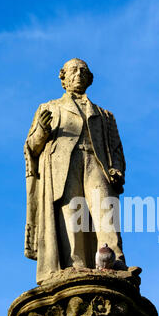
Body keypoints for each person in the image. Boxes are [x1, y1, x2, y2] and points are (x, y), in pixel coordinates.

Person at [24, 58, 126, 283]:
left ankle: (115, 261)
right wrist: (41, 129)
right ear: (63, 78)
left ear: (89, 79)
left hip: (96, 163)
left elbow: (116, 147)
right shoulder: (49, 108)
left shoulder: (105, 115)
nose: (78, 74)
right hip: (64, 165)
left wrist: (116, 168)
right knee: (72, 213)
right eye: (73, 71)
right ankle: (75, 265)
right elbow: (31, 147)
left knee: (105, 210)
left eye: (83, 71)